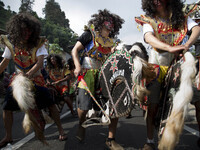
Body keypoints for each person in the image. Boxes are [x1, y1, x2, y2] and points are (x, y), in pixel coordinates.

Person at [135, 0, 200, 149]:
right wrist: (169, 48)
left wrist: (187, 44)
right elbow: (148, 37)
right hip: (158, 64)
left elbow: (196, 28)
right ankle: (150, 141)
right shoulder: (148, 19)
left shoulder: (180, 17)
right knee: (153, 105)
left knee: (197, 98)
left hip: (179, 62)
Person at [0, 13, 67, 148]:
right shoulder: (10, 44)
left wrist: (29, 74)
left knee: (50, 103)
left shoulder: (38, 43)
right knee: (7, 106)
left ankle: (61, 129)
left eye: (29, 30)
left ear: (33, 30)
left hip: (37, 79)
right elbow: (5, 62)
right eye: (23, 30)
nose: (26, 33)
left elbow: (40, 63)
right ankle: (8, 136)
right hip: (18, 80)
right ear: (17, 29)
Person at [71, 9, 124, 149]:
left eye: (112, 23)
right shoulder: (89, 34)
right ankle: (81, 124)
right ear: (100, 22)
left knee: (115, 103)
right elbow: (74, 50)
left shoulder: (113, 42)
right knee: (84, 105)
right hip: (87, 71)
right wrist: (77, 66)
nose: (110, 25)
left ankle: (111, 138)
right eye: (108, 22)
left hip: (105, 73)